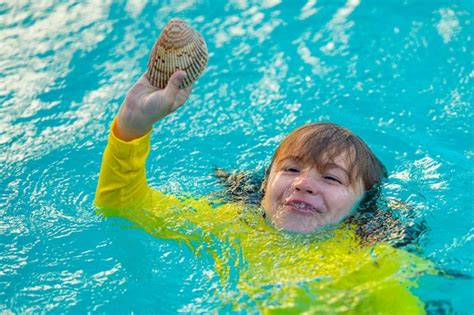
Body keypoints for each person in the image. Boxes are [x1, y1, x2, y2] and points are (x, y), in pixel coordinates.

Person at [95, 71, 433, 313]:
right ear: (266, 183)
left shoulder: (372, 261)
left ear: (362, 204)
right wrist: (132, 127)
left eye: (331, 179)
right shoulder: (231, 225)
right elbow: (123, 206)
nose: (303, 183)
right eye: (291, 169)